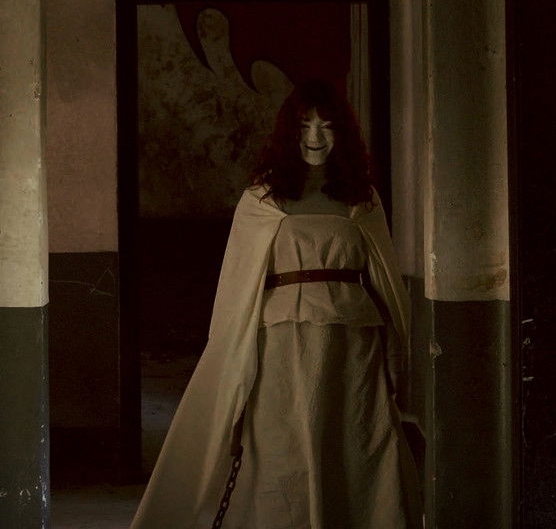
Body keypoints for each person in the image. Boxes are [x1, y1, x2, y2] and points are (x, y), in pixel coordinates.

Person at [130, 79, 421, 529]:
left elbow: (386, 280)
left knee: (354, 443)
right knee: (283, 445)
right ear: (289, 131)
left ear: (342, 132)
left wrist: (399, 354)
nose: (315, 136)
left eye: (326, 125)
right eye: (304, 125)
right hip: (281, 345)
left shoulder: (362, 198)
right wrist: (232, 363)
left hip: (353, 348)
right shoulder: (262, 200)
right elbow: (237, 288)